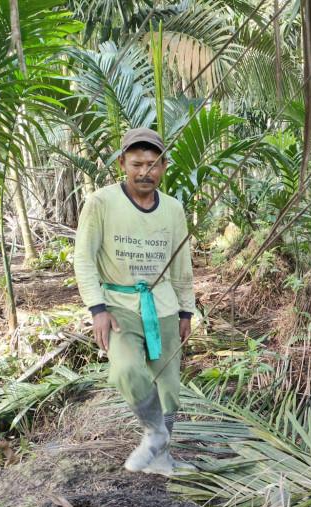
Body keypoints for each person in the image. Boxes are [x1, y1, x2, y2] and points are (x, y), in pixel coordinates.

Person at [74, 127, 197, 476]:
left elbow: (181, 264)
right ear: (122, 163)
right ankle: (154, 433)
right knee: (126, 369)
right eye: (137, 164)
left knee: (169, 386)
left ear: (164, 166)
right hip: (119, 306)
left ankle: (161, 459)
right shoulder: (101, 202)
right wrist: (97, 309)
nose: (145, 172)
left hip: (164, 307)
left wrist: (186, 311)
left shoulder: (172, 208)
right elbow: (83, 258)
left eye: (153, 164)